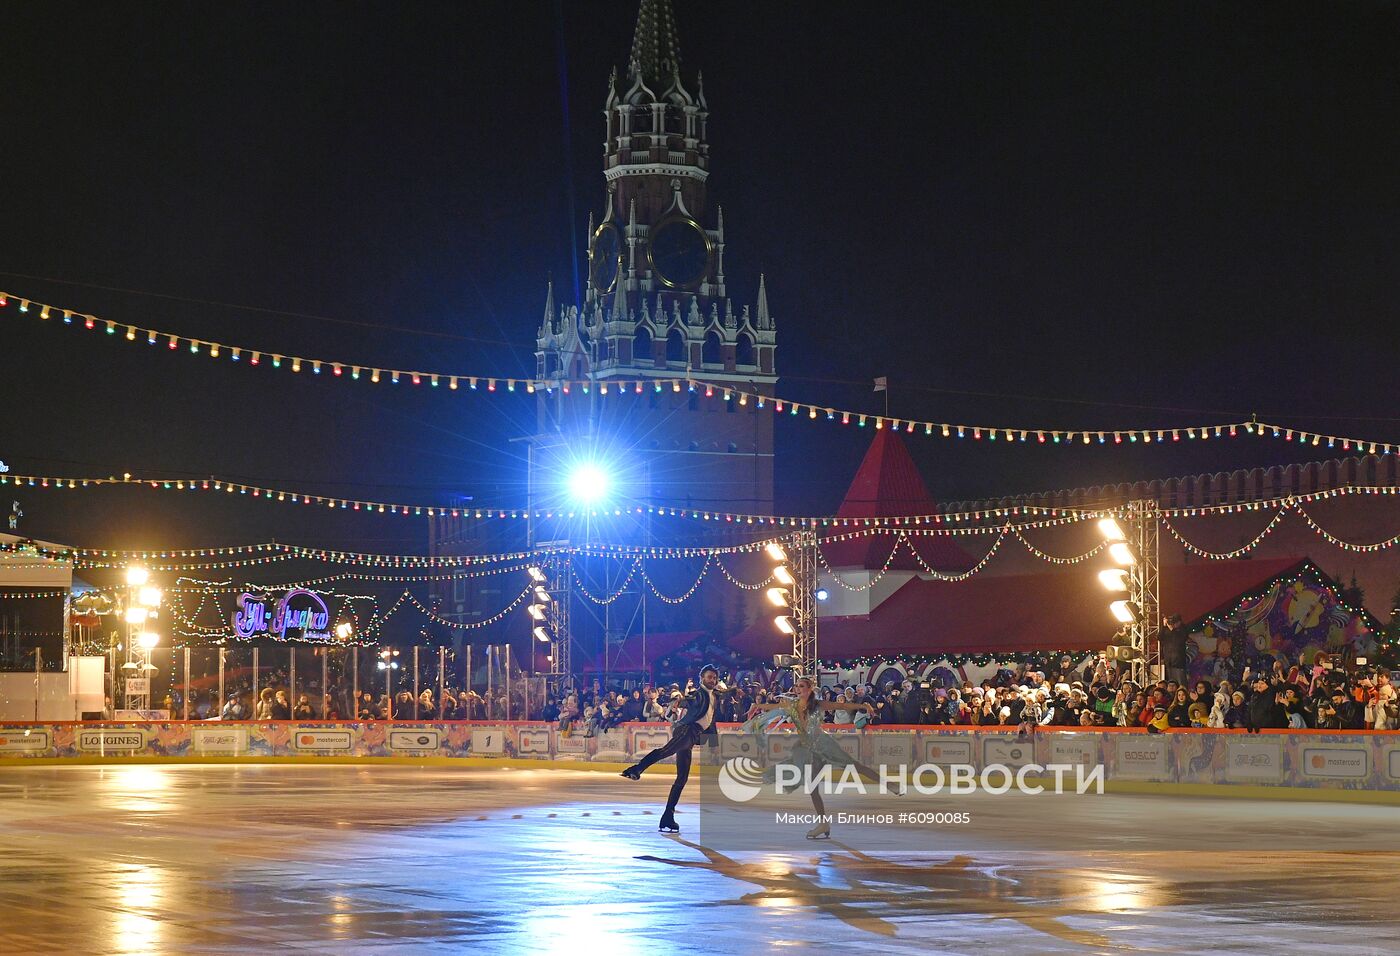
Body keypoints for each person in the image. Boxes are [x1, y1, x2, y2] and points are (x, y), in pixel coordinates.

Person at [742, 676, 884, 840]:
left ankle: (887, 783)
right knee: (813, 786)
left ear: (810, 689)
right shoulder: (792, 705)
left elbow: (842, 705)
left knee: (853, 767)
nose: (797, 688)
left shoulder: (818, 705)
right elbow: (774, 706)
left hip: (823, 745)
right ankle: (823, 823)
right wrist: (757, 705)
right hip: (810, 749)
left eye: (801, 686)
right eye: (796, 686)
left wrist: (863, 705)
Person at [620, 664, 724, 833]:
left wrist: (713, 744)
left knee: (682, 778)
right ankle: (636, 769)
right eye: (709, 677)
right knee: (666, 751)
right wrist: (679, 701)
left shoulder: (714, 697)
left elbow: (710, 721)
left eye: (714, 677)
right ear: (702, 679)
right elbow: (691, 699)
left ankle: (668, 816)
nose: (712, 680)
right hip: (687, 730)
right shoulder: (699, 694)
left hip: (693, 736)